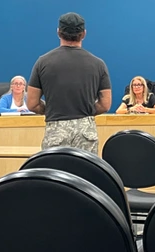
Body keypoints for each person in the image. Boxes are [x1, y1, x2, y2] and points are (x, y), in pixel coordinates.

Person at [27, 12, 111, 153]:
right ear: (83, 34)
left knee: (55, 173)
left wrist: (53, 110)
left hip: (56, 130)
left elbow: (32, 103)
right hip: (86, 130)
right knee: (86, 173)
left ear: (58, 32)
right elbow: (105, 104)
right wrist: (85, 110)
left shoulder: (42, 62)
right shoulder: (98, 64)